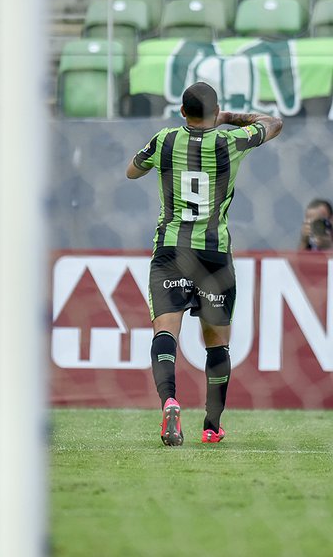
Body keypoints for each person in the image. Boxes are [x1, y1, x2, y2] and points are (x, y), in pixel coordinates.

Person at [126, 82, 283, 446]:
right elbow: (273, 122)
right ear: (214, 113)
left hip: (171, 251)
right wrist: (230, 119)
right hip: (214, 256)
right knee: (217, 344)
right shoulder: (230, 142)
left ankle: (169, 400)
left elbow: (132, 171)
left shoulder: (164, 140)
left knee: (165, 333)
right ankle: (212, 425)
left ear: (182, 112)